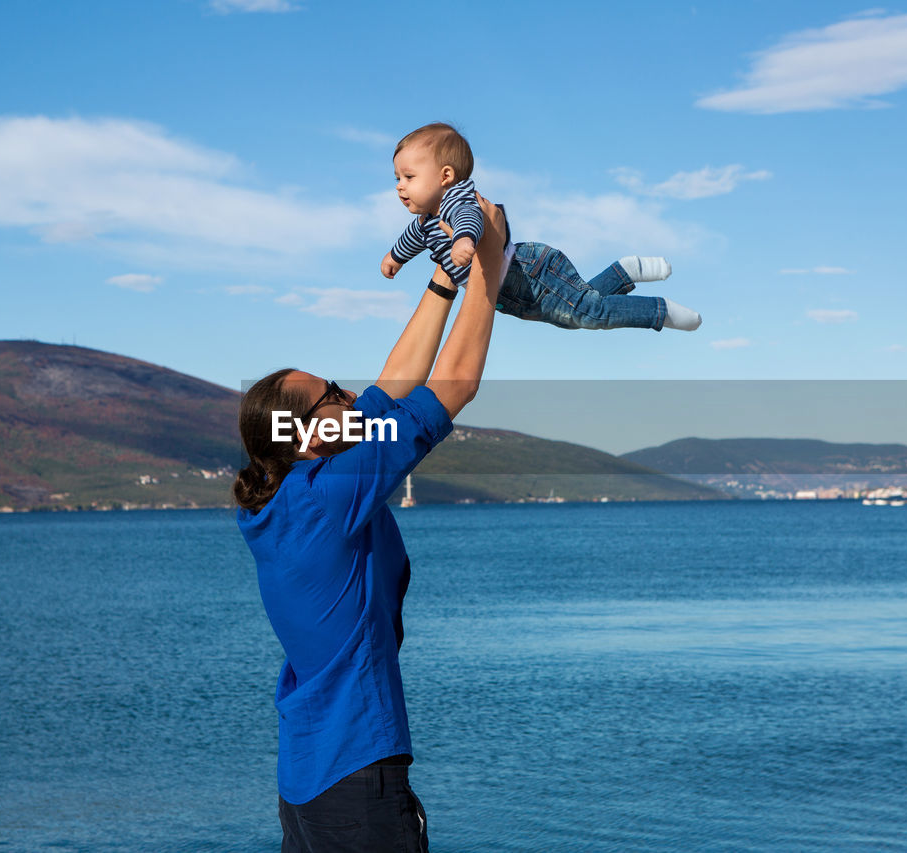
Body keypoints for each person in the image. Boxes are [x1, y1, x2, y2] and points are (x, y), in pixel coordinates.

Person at [234, 197, 508, 851]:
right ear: (305, 431)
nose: (351, 394)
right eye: (333, 393)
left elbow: (390, 386)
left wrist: (445, 278)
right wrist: (490, 265)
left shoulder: (282, 497)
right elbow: (455, 383)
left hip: (306, 781)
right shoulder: (333, 491)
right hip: (358, 780)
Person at [380, 122, 703, 333]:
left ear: (445, 176)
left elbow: (470, 219)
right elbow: (410, 239)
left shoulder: (456, 202)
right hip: (515, 295)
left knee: (590, 313)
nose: (400, 186)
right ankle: (623, 272)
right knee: (581, 314)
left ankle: (659, 311)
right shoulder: (426, 222)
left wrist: (464, 241)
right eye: (397, 178)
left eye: (409, 177)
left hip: (529, 272)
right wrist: (395, 258)